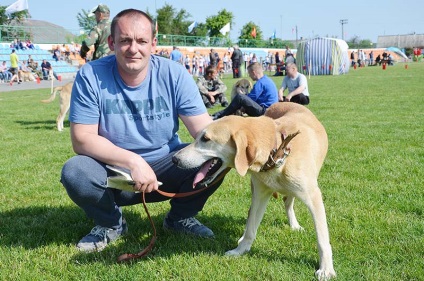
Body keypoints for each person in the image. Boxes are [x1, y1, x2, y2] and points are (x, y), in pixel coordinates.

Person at [60, 8, 226, 253]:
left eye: (141, 41)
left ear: (153, 44)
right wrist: (133, 161)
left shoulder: (174, 74)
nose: (133, 48)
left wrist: (241, 139)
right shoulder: (90, 75)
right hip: (112, 171)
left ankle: (180, 218)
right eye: (125, 40)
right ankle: (111, 224)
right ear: (111, 42)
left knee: (218, 156)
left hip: (165, 168)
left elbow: (203, 130)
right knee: (75, 172)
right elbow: (82, 139)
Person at [211, 62, 278, 120]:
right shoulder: (267, 80)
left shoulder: (260, 83)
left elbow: (250, 99)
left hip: (265, 112)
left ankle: (218, 116)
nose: (249, 75)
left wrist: (241, 95)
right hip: (270, 111)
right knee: (241, 99)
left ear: (253, 72)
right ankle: (221, 115)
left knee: (240, 97)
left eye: (249, 73)